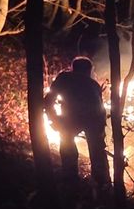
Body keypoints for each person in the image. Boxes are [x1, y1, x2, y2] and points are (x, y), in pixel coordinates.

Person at [44, 57, 110, 186]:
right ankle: (102, 182)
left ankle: (71, 177)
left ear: (73, 67)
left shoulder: (64, 78)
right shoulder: (93, 84)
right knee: (97, 150)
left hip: (77, 117)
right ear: (89, 70)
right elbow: (100, 111)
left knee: (68, 141)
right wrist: (54, 120)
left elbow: (48, 101)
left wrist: (54, 120)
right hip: (93, 118)